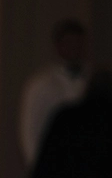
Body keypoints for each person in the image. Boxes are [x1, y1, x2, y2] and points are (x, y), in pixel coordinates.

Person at [19, 19, 88, 167]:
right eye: (69, 43)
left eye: (79, 43)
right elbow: (30, 132)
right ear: (58, 46)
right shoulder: (41, 84)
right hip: (54, 166)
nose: (75, 48)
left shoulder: (90, 82)